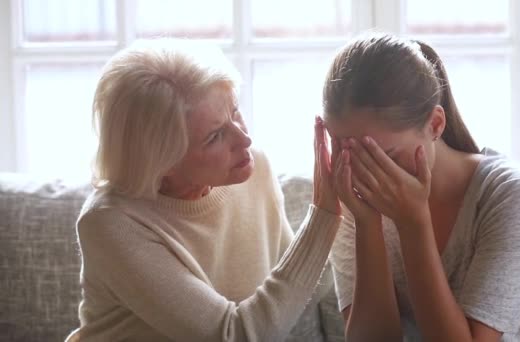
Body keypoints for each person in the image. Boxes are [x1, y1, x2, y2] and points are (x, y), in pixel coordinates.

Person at [65, 39, 344, 341]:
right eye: (215, 136)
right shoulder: (110, 223)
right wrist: (324, 213)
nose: (244, 140)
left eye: (235, 112)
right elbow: (234, 335)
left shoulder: (252, 169)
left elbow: (300, 286)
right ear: (163, 160)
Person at [324, 33, 520, 341]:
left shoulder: (510, 193)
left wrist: (413, 223)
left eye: (383, 157)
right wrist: (367, 223)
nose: (367, 174)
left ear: (435, 125)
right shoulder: (354, 199)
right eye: (350, 154)